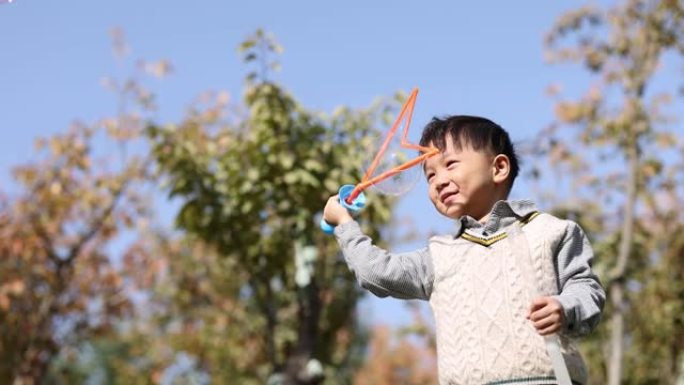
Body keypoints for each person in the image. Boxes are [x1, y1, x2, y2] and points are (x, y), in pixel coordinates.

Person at [323, 115, 605, 385]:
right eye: (430, 175)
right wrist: (344, 224)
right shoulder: (439, 256)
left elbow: (587, 290)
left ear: (498, 168)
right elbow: (375, 272)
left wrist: (564, 308)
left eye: (451, 164)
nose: (438, 181)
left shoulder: (551, 231)